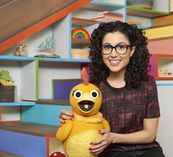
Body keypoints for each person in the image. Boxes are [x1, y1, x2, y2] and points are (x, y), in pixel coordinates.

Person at [59, 21, 165, 157]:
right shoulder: (94, 87)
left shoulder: (147, 83)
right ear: (100, 50)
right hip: (111, 151)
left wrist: (113, 137)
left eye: (121, 47)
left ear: (132, 50)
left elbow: (149, 134)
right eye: (107, 47)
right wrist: (68, 117)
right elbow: (82, 121)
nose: (113, 54)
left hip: (148, 150)